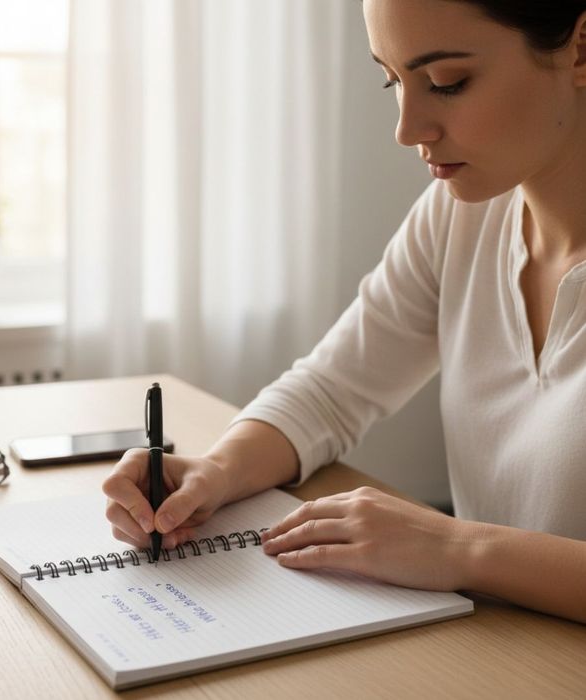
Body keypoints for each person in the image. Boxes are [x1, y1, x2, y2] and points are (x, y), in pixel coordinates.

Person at [104, 0, 586, 625]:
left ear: (579, 47)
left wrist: (459, 547)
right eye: (393, 80)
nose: (408, 129)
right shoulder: (462, 214)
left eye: (446, 83)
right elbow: (332, 392)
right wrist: (214, 473)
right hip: (498, 644)